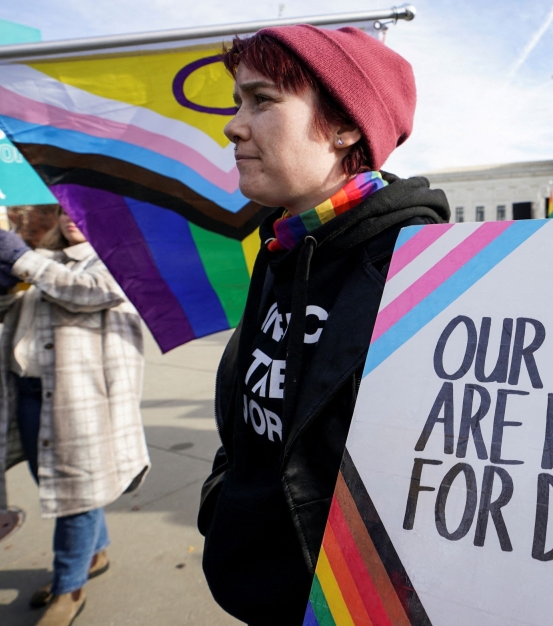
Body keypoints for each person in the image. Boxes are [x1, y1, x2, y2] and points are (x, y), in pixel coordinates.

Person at [198, 26, 449, 624]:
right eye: (239, 102)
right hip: (249, 585)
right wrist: (224, 502)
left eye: (262, 100)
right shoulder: (281, 243)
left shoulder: (418, 272)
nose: (234, 125)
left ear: (345, 127)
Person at [0, 208, 150, 625]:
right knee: (60, 483)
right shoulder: (40, 260)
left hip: (83, 402)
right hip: (26, 393)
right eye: (63, 208)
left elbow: (85, 291)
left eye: (84, 210)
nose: (72, 216)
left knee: (74, 496)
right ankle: (94, 552)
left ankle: (67, 588)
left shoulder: (118, 263)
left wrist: (20, 259)